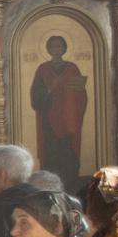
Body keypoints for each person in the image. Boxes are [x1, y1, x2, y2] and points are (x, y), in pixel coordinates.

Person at [29, 36, 87, 188]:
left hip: (69, 121)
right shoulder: (43, 69)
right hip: (49, 120)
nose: (56, 49)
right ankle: (49, 187)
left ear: (64, 48)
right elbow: (36, 96)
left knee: (68, 153)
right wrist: (50, 88)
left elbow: (82, 96)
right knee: (51, 153)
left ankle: (70, 187)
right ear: (48, 49)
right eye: (53, 46)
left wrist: (74, 91)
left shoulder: (72, 68)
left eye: (59, 46)